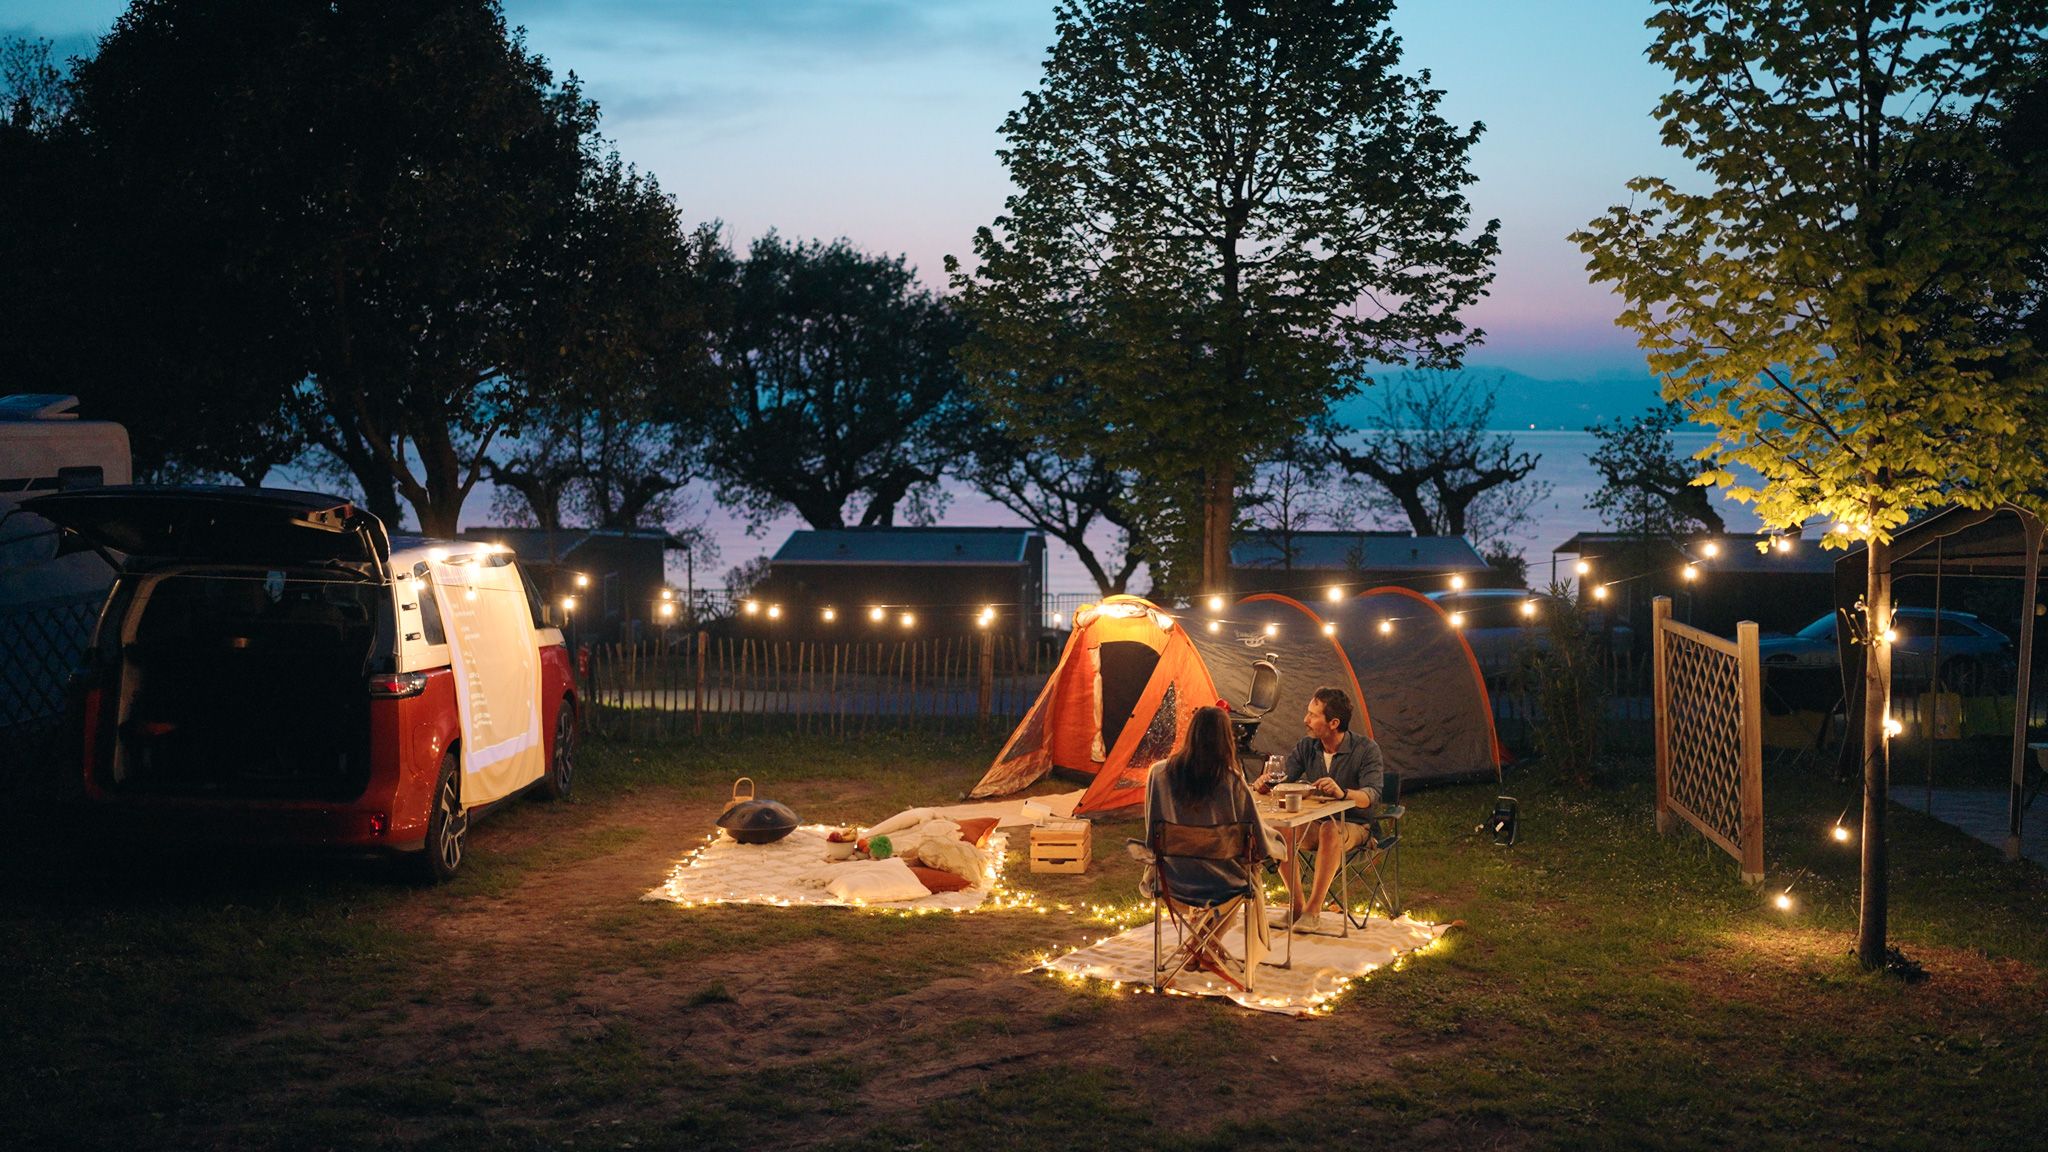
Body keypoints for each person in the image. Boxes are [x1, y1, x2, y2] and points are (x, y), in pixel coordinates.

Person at [1142, 705, 1275, 978]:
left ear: (1190, 734)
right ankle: (1207, 943)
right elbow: (1256, 844)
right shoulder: (1232, 781)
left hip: (1171, 877)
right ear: (1226, 739)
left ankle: (1198, 944)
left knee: (1235, 866)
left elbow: (1150, 835)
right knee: (1251, 873)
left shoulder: (1158, 774)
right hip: (1221, 881)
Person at [1252, 686, 1384, 930]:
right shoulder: (1307, 747)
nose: (1306, 720)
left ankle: (1313, 913)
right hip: (1318, 821)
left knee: (1330, 831)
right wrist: (1266, 784)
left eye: (1313, 715)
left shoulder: (1366, 749)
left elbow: (1371, 795)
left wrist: (1343, 793)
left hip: (1356, 826)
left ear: (1334, 723)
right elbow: (1282, 779)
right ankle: (1297, 907)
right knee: (1283, 830)